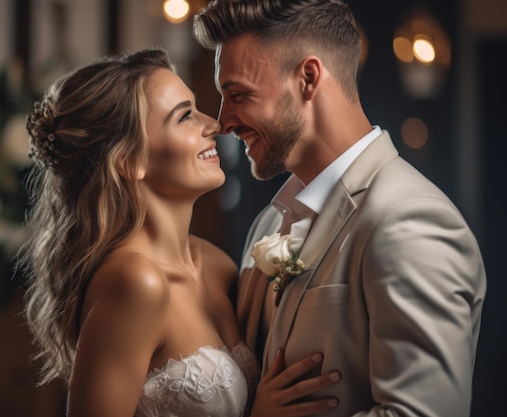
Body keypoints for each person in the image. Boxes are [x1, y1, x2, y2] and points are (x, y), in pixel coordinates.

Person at [193, 1, 487, 416]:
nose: (223, 121)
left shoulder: (411, 221)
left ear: (308, 78)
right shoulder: (268, 223)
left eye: (238, 94)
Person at [20, 48, 341, 417]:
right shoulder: (135, 283)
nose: (214, 125)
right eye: (184, 116)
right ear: (130, 161)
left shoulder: (215, 265)